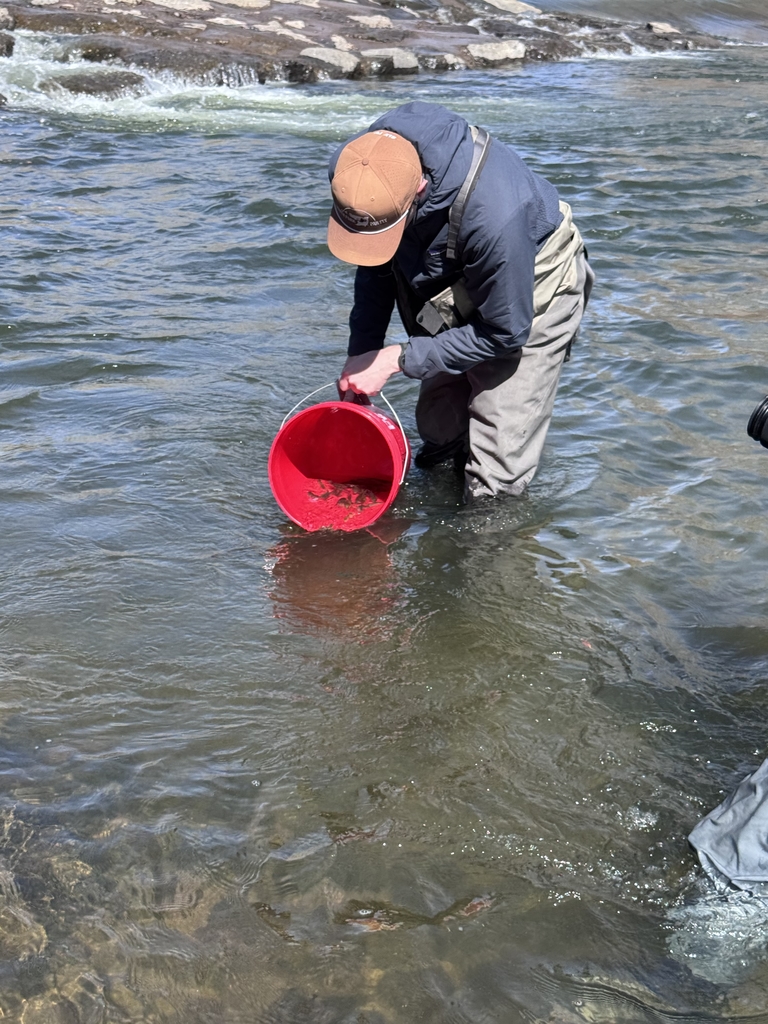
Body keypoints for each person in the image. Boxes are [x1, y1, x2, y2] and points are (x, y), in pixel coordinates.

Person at [327, 101, 595, 501]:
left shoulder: (496, 217)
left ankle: (489, 541)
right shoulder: (365, 164)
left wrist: (396, 358)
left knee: (495, 473)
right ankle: (443, 485)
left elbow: (505, 333)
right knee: (439, 429)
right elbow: (375, 268)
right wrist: (363, 353)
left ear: (418, 189)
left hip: (532, 279)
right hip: (452, 271)